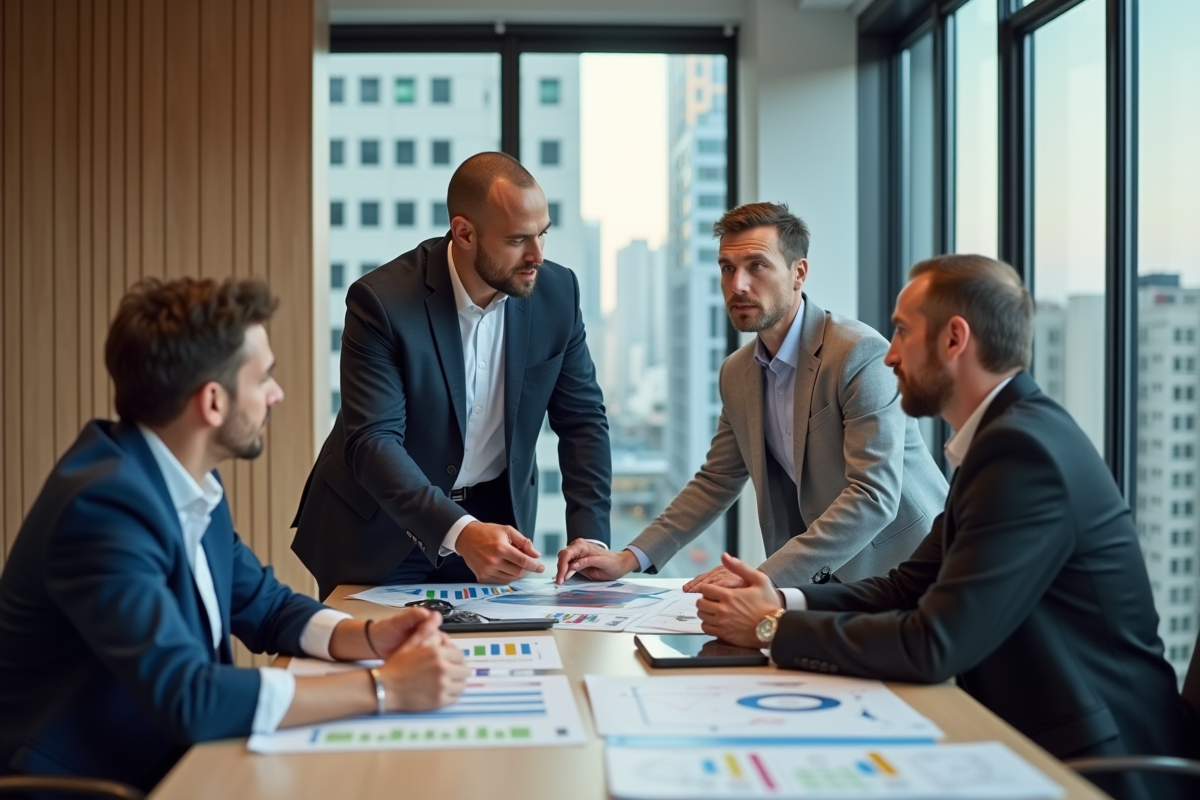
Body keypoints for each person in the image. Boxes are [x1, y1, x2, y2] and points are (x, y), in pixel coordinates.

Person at [694, 255, 1198, 800]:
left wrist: (771, 628)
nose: (890, 354)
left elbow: (934, 644)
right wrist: (782, 601)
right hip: (1033, 740)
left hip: (1101, 767)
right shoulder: (1004, 439)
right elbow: (907, 587)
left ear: (955, 339)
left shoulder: (1022, 453)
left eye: (903, 332)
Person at [0, 278, 469, 791]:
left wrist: (369, 637)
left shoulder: (184, 478)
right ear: (213, 402)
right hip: (88, 785)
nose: (276, 394)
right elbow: (189, 697)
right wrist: (384, 688)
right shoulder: (104, 509)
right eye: (262, 378)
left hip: (174, 762)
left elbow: (263, 605)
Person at [556, 202, 946, 588]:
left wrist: (762, 577)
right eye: (727, 268)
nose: (737, 285)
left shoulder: (859, 354)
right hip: (824, 585)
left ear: (798, 273)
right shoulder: (737, 372)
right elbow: (716, 480)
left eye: (756, 266)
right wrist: (629, 558)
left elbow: (872, 495)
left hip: (915, 572)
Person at [293, 152, 612, 598]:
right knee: (381, 644)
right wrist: (459, 532)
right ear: (464, 233)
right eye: (518, 240)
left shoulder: (558, 294)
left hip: (495, 522)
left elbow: (582, 421)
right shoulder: (382, 302)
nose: (537, 256)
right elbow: (374, 441)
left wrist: (590, 535)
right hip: (381, 528)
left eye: (543, 233)